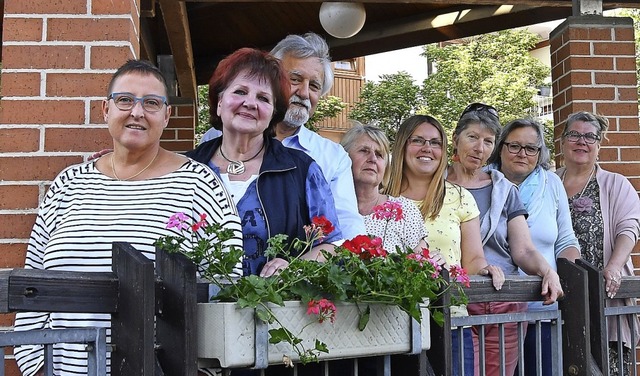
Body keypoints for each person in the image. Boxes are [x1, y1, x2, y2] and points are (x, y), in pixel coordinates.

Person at [13, 60, 243, 376]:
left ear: (166, 115)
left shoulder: (199, 183)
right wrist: (34, 366)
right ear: (105, 110)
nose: (137, 112)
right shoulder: (69, 183)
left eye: (151, 103)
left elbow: (226, 285)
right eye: (125, 100)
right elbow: (32, 282)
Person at [186, 47, 342, 281]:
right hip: (192, 310)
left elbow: (331, 244)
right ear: (219, 103)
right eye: (240, 92)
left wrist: (294, 268)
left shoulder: (302, 170)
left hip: (270, 311)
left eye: (263, 98)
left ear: (273, 113)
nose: (250, 103)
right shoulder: (186, 168)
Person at [202, 32, 366, 240]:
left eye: (314, 86)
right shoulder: (214, 140)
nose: (304, 93)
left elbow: (345, 229)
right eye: (295, 79)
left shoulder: (331, 157)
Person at [447, 103, 564, 376]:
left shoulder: (504, 189)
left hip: (504, 299)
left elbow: (523, 249)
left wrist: (547, 270)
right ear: (456, 140)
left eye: (488, 141)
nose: (479, 147)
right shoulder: (436, 186)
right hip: (456, 298)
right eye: (472, 137)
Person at [385, 114, 504, 376]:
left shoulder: (460, 197)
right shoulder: (381, 195)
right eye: (418, 140)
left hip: (450, 320)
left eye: (435, 142)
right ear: (403, 145)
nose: (427, 148)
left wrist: (484, 269)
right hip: (390, 322)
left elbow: (472, 259)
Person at [486, 118, 580, 375]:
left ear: (540, 154)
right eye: (514, 146)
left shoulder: (551, 183)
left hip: (541, 306)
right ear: (500, 147)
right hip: (493, 308)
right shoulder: (483, 182)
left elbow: (566, 240)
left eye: (530, 148)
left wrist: (566, 279)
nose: (522, 154)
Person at [557, 111, 640, 376]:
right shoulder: (548, 182)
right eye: (575, 134)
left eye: (590, 136)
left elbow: (629, 229)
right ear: (562, 141)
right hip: (558, 300)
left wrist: (614, 266)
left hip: (604, 298)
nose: (582, 141)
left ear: (599, 145)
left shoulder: (616, 184)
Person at [340, 122, 428, 251]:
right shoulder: (327, 208)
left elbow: (419, 265)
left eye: (379, 154)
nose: (373, 159)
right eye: (364, 151)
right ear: (344, 157)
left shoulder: (406, 211)